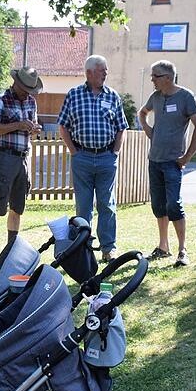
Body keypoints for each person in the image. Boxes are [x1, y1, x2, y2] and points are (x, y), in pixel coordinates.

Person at [58, 55, 129, 262]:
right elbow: (62, 125)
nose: (106, 74)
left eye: (106, 70)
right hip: (82, 158)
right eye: (102, 70)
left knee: (107, 204)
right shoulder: (74, 95)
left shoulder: (113, 96)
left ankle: (108, 248)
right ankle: (85, 246)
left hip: (107, 157)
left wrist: (115, 152)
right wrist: (74, 151)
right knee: (83, 206)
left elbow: (121, 127)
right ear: (89, 73)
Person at [138, 60, 196, 267]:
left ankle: (182, 250)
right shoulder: (155, 97)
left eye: (155, 76)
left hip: (172, 162)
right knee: (158, 205)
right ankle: (163, 247)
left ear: (168, 77)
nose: (152, 79)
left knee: (173, 205)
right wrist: (149, 131)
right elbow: (142, 113)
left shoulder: (186, 97)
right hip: (154, 160)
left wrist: (186, 157)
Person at [0, 67, 43, 270]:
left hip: (24, 158)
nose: (27, 93)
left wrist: (34, 129)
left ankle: (10, 253)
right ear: (16, 83)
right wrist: (17, 125)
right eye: (25, 88)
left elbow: (31, 127)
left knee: (17, 208)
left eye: (30, 90)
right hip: (5, 157)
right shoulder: (1, 99)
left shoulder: (31, 101)